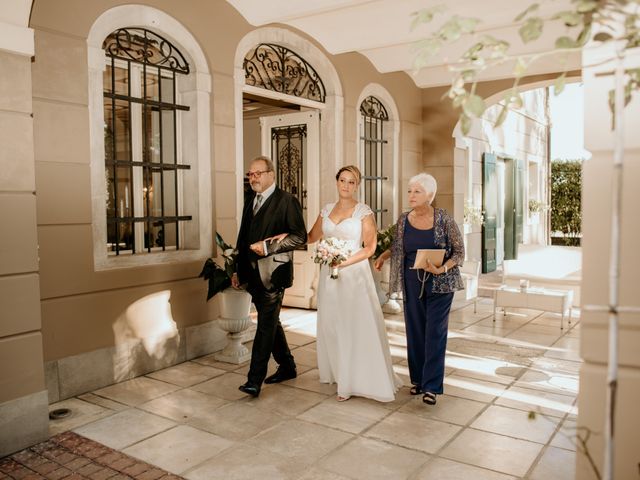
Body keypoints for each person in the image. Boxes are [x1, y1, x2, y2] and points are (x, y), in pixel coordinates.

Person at [308, 165, 401, 402]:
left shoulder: (364, 212)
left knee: (353, 324)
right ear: (337, 182)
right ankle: (340, 373)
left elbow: (369, 248)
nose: (346, 185)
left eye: (351, 182)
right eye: (342, 180)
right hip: (330, 275)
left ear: (357, 185)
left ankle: (354, 381)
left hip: (354, 275)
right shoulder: (326, 210)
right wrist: (284, 234)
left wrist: (344, 261)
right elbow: (311, 237)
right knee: (332, 324)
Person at [374, 173, 464, 405]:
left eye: (417, 191)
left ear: (430, 195)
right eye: (410, 191)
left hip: (441, 283)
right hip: (412, 282)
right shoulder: (404, 219)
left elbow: (459, 252)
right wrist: (383, 257)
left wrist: (442, 269)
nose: (411, 195)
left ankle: (432, 386)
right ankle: (418, 380)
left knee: (435, 332)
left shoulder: (444, 219)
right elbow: (398, 246)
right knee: (415, 331)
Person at [232, 156, 307, 398]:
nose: (252, 178)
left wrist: (268, 247)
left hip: (273, 274)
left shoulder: (287, 201)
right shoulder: (249, 200)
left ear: (271, 174)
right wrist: (236, 269)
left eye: (257, 173)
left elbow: (299, 236)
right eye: (250, 174)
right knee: (270, 322)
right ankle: (287, 366)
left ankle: (254, 380)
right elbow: (242, 236)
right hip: (251, 273)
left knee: (264, 326)